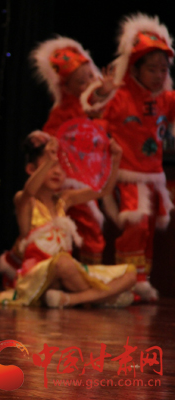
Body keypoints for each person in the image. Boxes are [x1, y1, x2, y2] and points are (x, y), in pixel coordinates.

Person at [81, 13, 175, 301]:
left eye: (163, 69)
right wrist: (102, 95)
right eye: (152, 69)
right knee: (137, 224)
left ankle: (139, 278)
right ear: (136, 69)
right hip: (128, 172)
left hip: (155, 172)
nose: (159, 75)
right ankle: (130, 280)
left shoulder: (166, 98)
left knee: (148, 229)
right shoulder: (120, 96)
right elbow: (95, 120)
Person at [0, 132, 136, 308]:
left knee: (130, 274)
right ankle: (106, 298)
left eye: (60, 167)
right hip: (39, 276)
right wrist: (50, 160)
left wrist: (116, 159)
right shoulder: (25, 201)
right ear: (31, 170)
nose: (56, 171)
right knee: (64, 262)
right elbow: (29, 191)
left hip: (68, 273)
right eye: (50, 165)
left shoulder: (65, 200)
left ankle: (72, 299)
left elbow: (103, 190)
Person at [29, 37, 106, 265]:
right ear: (66, 87)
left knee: (90, 226)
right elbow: (51, 138)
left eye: (91, 76)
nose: (90, 83)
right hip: (71, 179)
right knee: (80, 225)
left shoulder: (101, 105)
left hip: (91, 177)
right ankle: (80, 275)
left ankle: (89, 275)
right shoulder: (65, 111)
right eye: (82, 82)